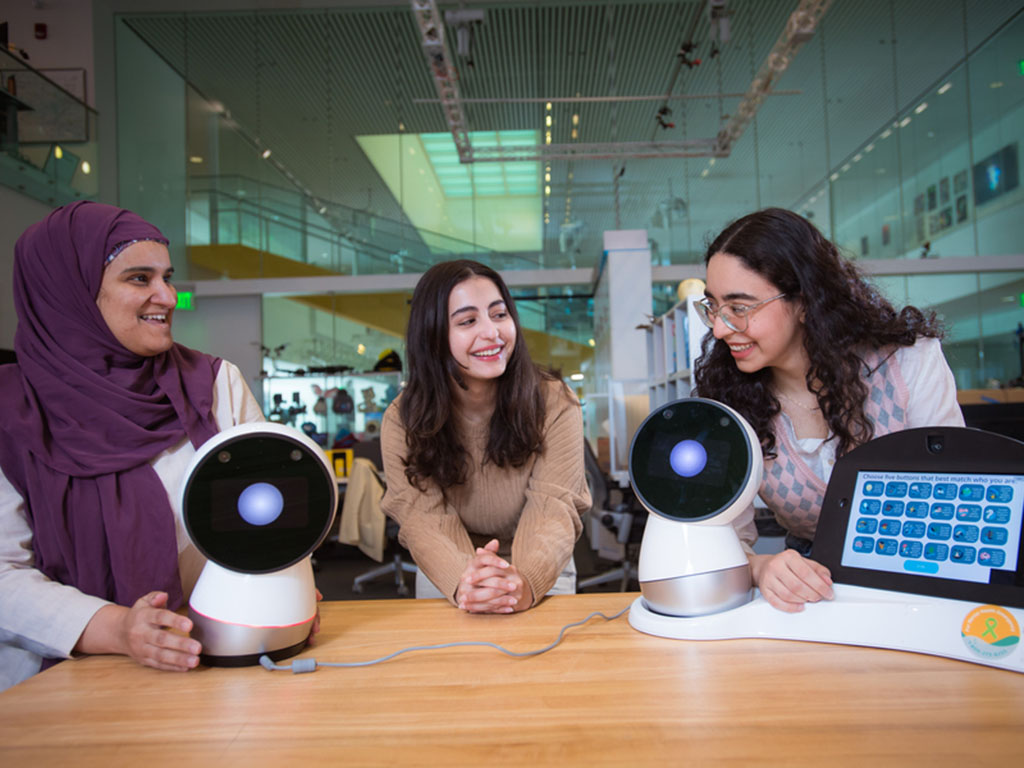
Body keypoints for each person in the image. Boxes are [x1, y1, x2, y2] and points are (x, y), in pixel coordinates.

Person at [0, 201, 266, 691]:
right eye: (140, 279)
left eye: (168, 277)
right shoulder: (10, 410)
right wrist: (118, 629)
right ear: (70, 292)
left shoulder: (216, 384)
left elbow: (271, 525)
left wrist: (284, 595)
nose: (167, 296)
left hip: (216, 663)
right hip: (57, 690)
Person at [692, 208, 964, 614]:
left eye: (740, 307)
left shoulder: (910, 366)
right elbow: (719, 539)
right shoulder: (729, 399)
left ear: (804, 301)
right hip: (809, 596)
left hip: (922, 586)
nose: (719, 328)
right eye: (713, 306)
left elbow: (958, 504)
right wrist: (761, 568)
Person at [380, 260, 590, 613]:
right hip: (449, 570)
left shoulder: (554, 401)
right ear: (433, 336)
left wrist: (522, 584)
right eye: (467, 321)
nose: (492, 332)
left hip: (540, 566)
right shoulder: (404, 419)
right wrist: (469, 582)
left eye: (499, 314)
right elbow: (424, 520)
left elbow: (552, 509)